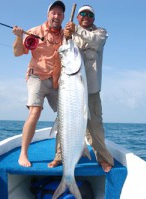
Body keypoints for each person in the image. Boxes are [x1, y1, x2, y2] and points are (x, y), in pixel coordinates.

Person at [48, 5, 114, 172]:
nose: (86, 16)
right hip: (71, 90)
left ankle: (103, 158)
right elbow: (63, 53)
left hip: (91, 91)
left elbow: (96, 42)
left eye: (89, 14)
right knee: (63, 122)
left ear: (93, 18)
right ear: (77, 17)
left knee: (96, 126)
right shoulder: (70, 36)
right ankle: (59, 156)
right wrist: (67, 37)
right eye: (82, 14)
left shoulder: (100, 32)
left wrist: (76, 30)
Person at [12, 1, 65, 167]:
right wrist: (19, 36)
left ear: (63, 17)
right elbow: (17, 53)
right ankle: (23, 154)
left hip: (56, 79)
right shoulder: (34, 31)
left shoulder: (66, 35)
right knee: (35, 112)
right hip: (37, 77)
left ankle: (61, 154)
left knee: (65, 115)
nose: (56, 16)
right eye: (53, 13)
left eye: (59, 14)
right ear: (48, 15)